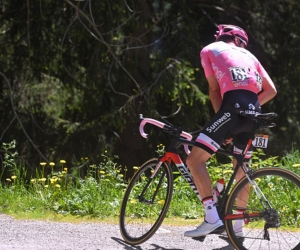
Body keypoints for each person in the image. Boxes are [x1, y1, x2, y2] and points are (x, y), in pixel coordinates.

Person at [184, 24, 277, 238]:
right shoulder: (250, 55)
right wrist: (249, 107)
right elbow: (271, 90)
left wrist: (223, 120)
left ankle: (211, 218)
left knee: (194, 161)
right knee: (241, 168)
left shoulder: (208, 49)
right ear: (240, 41)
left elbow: (214, 89)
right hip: (253, 113)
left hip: (231, 109)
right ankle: (237, 230)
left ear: (221, 37)